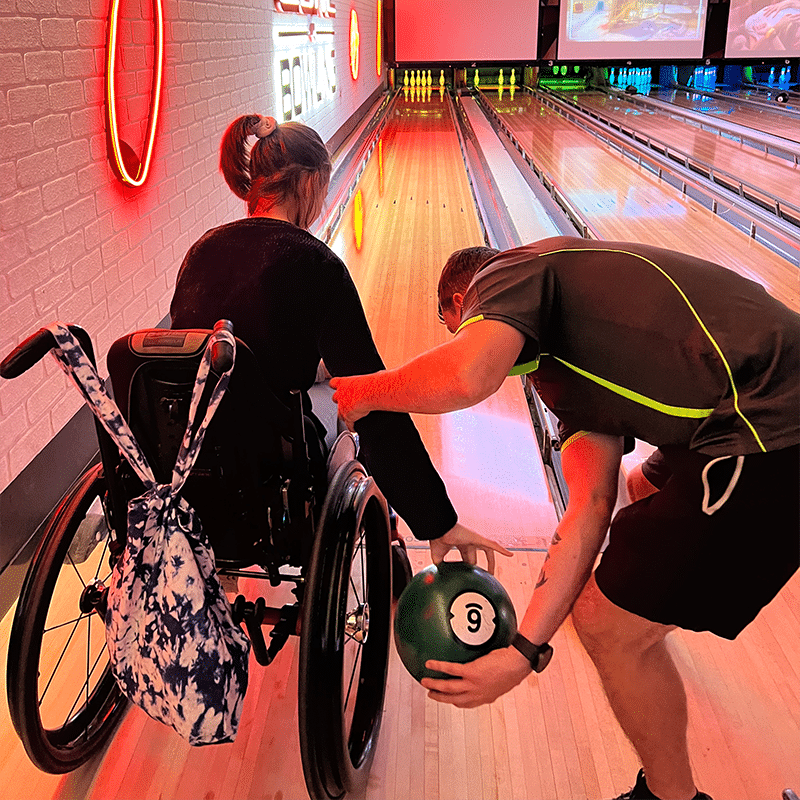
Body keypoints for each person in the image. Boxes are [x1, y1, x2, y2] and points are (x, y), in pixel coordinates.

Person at [331, 237, 800, 800]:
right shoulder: (561, 375)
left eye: (455, 324)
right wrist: (528, 644)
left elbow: (467, 374)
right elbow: (591, 508)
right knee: (637, 491)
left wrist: (362, 391)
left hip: (768, 420)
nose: (461, 335)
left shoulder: (509, 273)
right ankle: (649, 628)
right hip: (738, 406)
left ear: (464, 300)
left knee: (605, 624)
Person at [169, 113, 509, 569]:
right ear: (309, 185)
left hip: (189, 461)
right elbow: (372, 399)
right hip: (272, 467)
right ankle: (385, 536)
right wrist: (436, 519)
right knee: (354, 396)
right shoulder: (314, 263)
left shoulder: (201, 249)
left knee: (322, 374)